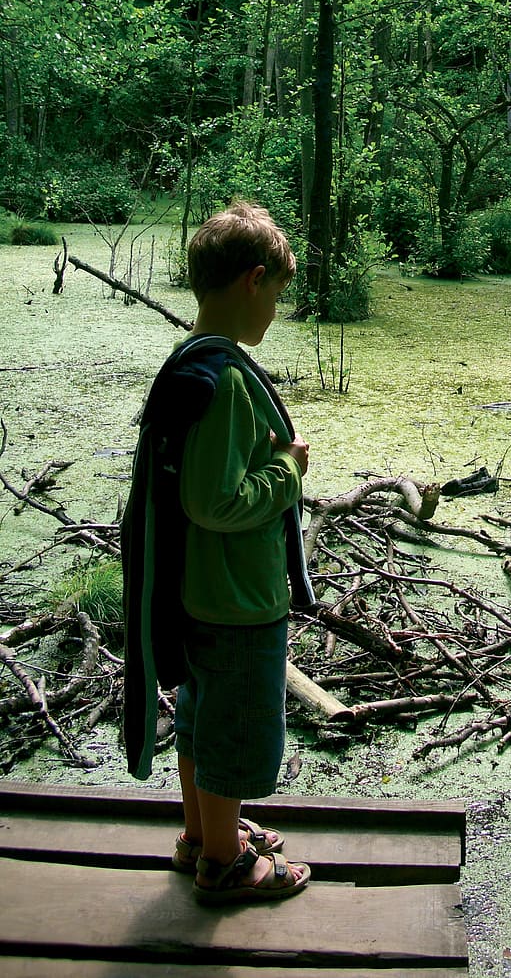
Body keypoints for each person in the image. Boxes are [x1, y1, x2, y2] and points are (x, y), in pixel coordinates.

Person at [122, 200, 313, 905]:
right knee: (234, 731)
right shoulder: (227, 381)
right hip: (236, 602)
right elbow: (215, 501)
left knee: (201, 720)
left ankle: (203, 833)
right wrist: (287, 470)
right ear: (253, 281)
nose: (275, 312)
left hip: (197, 595)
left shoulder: (188, 358)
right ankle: (225, 864)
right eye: (278, 296)